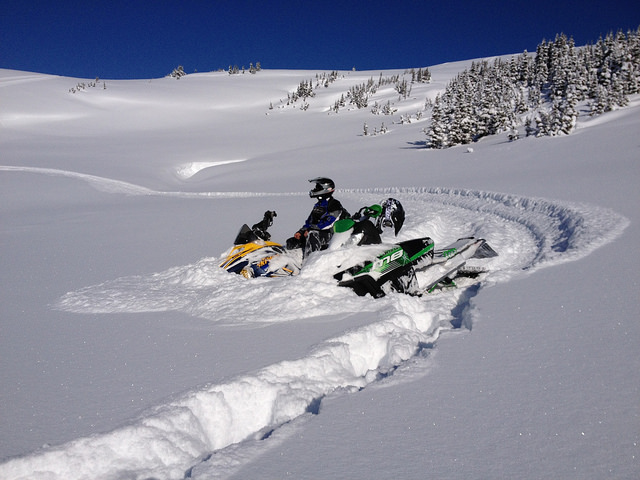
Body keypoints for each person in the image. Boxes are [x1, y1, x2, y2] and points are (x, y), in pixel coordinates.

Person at [286, 177, 350, 255]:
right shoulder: (318, 205)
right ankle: (293, 262)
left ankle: (310, 261)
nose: (315, 189)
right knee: (292, 242)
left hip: (331, 234)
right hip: (316, 232)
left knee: (312, 235)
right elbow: (309, 221)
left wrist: (311, 229)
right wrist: (301, 231)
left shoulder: (334, 204)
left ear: (326, 189)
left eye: (318, 187)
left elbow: (330, 222)